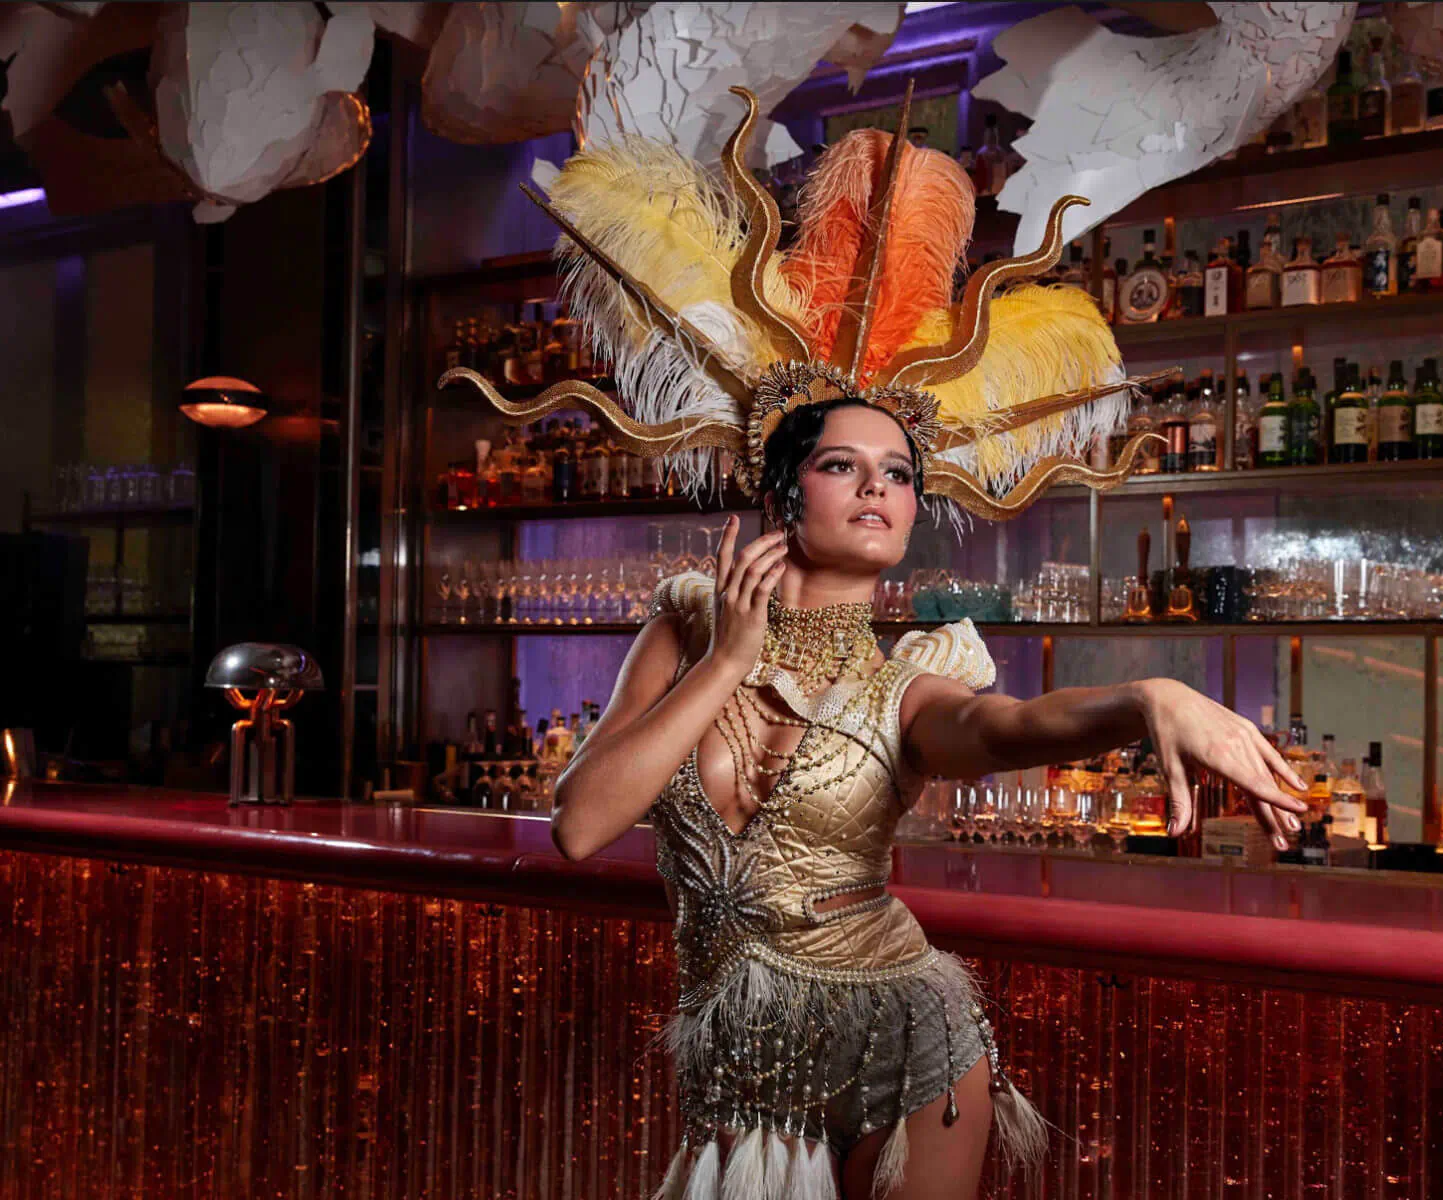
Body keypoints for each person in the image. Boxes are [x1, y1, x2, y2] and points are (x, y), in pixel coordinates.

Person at [449, 81, 1306, 1200]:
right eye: (842, 465)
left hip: (905, 1044)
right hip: (737, 1063)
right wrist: (724, 664)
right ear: (782, 487)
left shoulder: (914, 679)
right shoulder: (685, 622)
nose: (878, 489)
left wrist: (1145, 696)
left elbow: (1000, 728)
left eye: (898, 473)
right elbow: (581, 824)